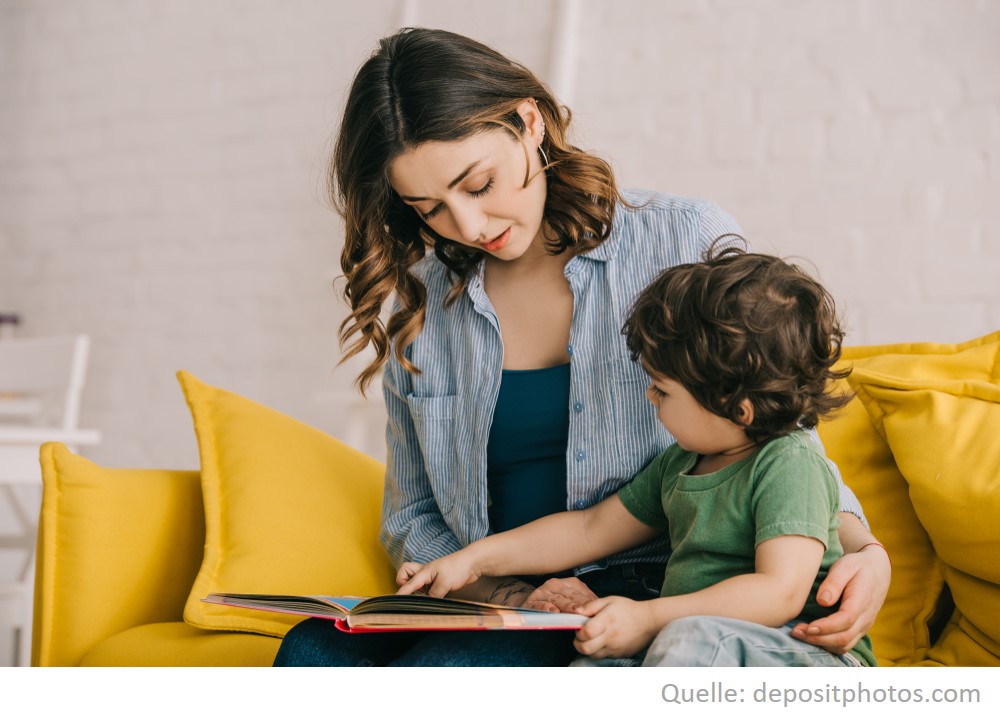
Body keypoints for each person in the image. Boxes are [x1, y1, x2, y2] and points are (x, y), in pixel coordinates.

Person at [273, 27, 889, 667]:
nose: (468, 226)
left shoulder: (680, 238)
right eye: (429, 209)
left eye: (479, 185)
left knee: (448, 672)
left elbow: (779, 431)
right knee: (310, 653)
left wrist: (869, 556)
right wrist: (504, 592)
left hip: (652, 589)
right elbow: (413, 518)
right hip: (498, 595)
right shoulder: (421, 306)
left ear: (528, 122)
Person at [397, 245, 877, 667]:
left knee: (689, 640)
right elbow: (589, 529)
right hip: (688, 641)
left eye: (663, 390)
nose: (649, 397)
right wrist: (474, 560)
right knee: (593, 667)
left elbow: (780, 592)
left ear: (737, 408)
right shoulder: (680, 464)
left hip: (800, 651)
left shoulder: (789, 465)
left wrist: (647, 618)